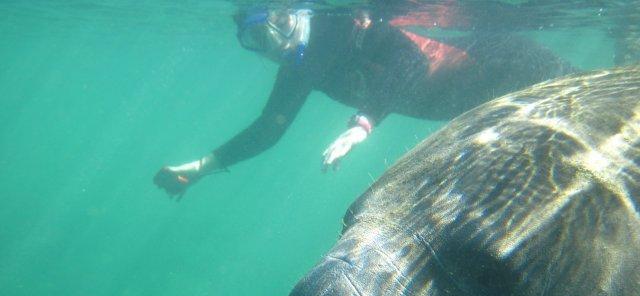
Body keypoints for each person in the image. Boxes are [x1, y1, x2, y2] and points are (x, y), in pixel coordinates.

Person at [154, 5, 574, 199]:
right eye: (249, 44)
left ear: (286, 17)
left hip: (507, 64)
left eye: (261, 37)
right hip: (471, 100)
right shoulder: (299, 67)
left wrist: (362, 125)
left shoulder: (344, 24)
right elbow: (270, 127)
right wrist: (203, 168)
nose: (263, 52)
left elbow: (409, 61)